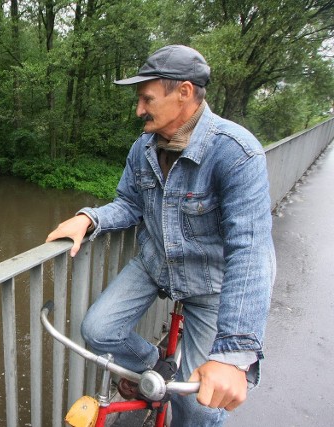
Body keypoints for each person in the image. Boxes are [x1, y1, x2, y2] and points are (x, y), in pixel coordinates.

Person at [46, 45, 276, 426]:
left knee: (199, 405)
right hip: (156, 264)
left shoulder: (236, 152)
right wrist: (89, 219)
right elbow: (129, 203)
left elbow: (250, 252)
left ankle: (179, 392)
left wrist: (233, 355)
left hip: (209, 284)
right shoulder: (143, 148)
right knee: (98, 331)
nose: (139, 109)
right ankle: (156, 369)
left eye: (146, 98)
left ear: (183, 92)